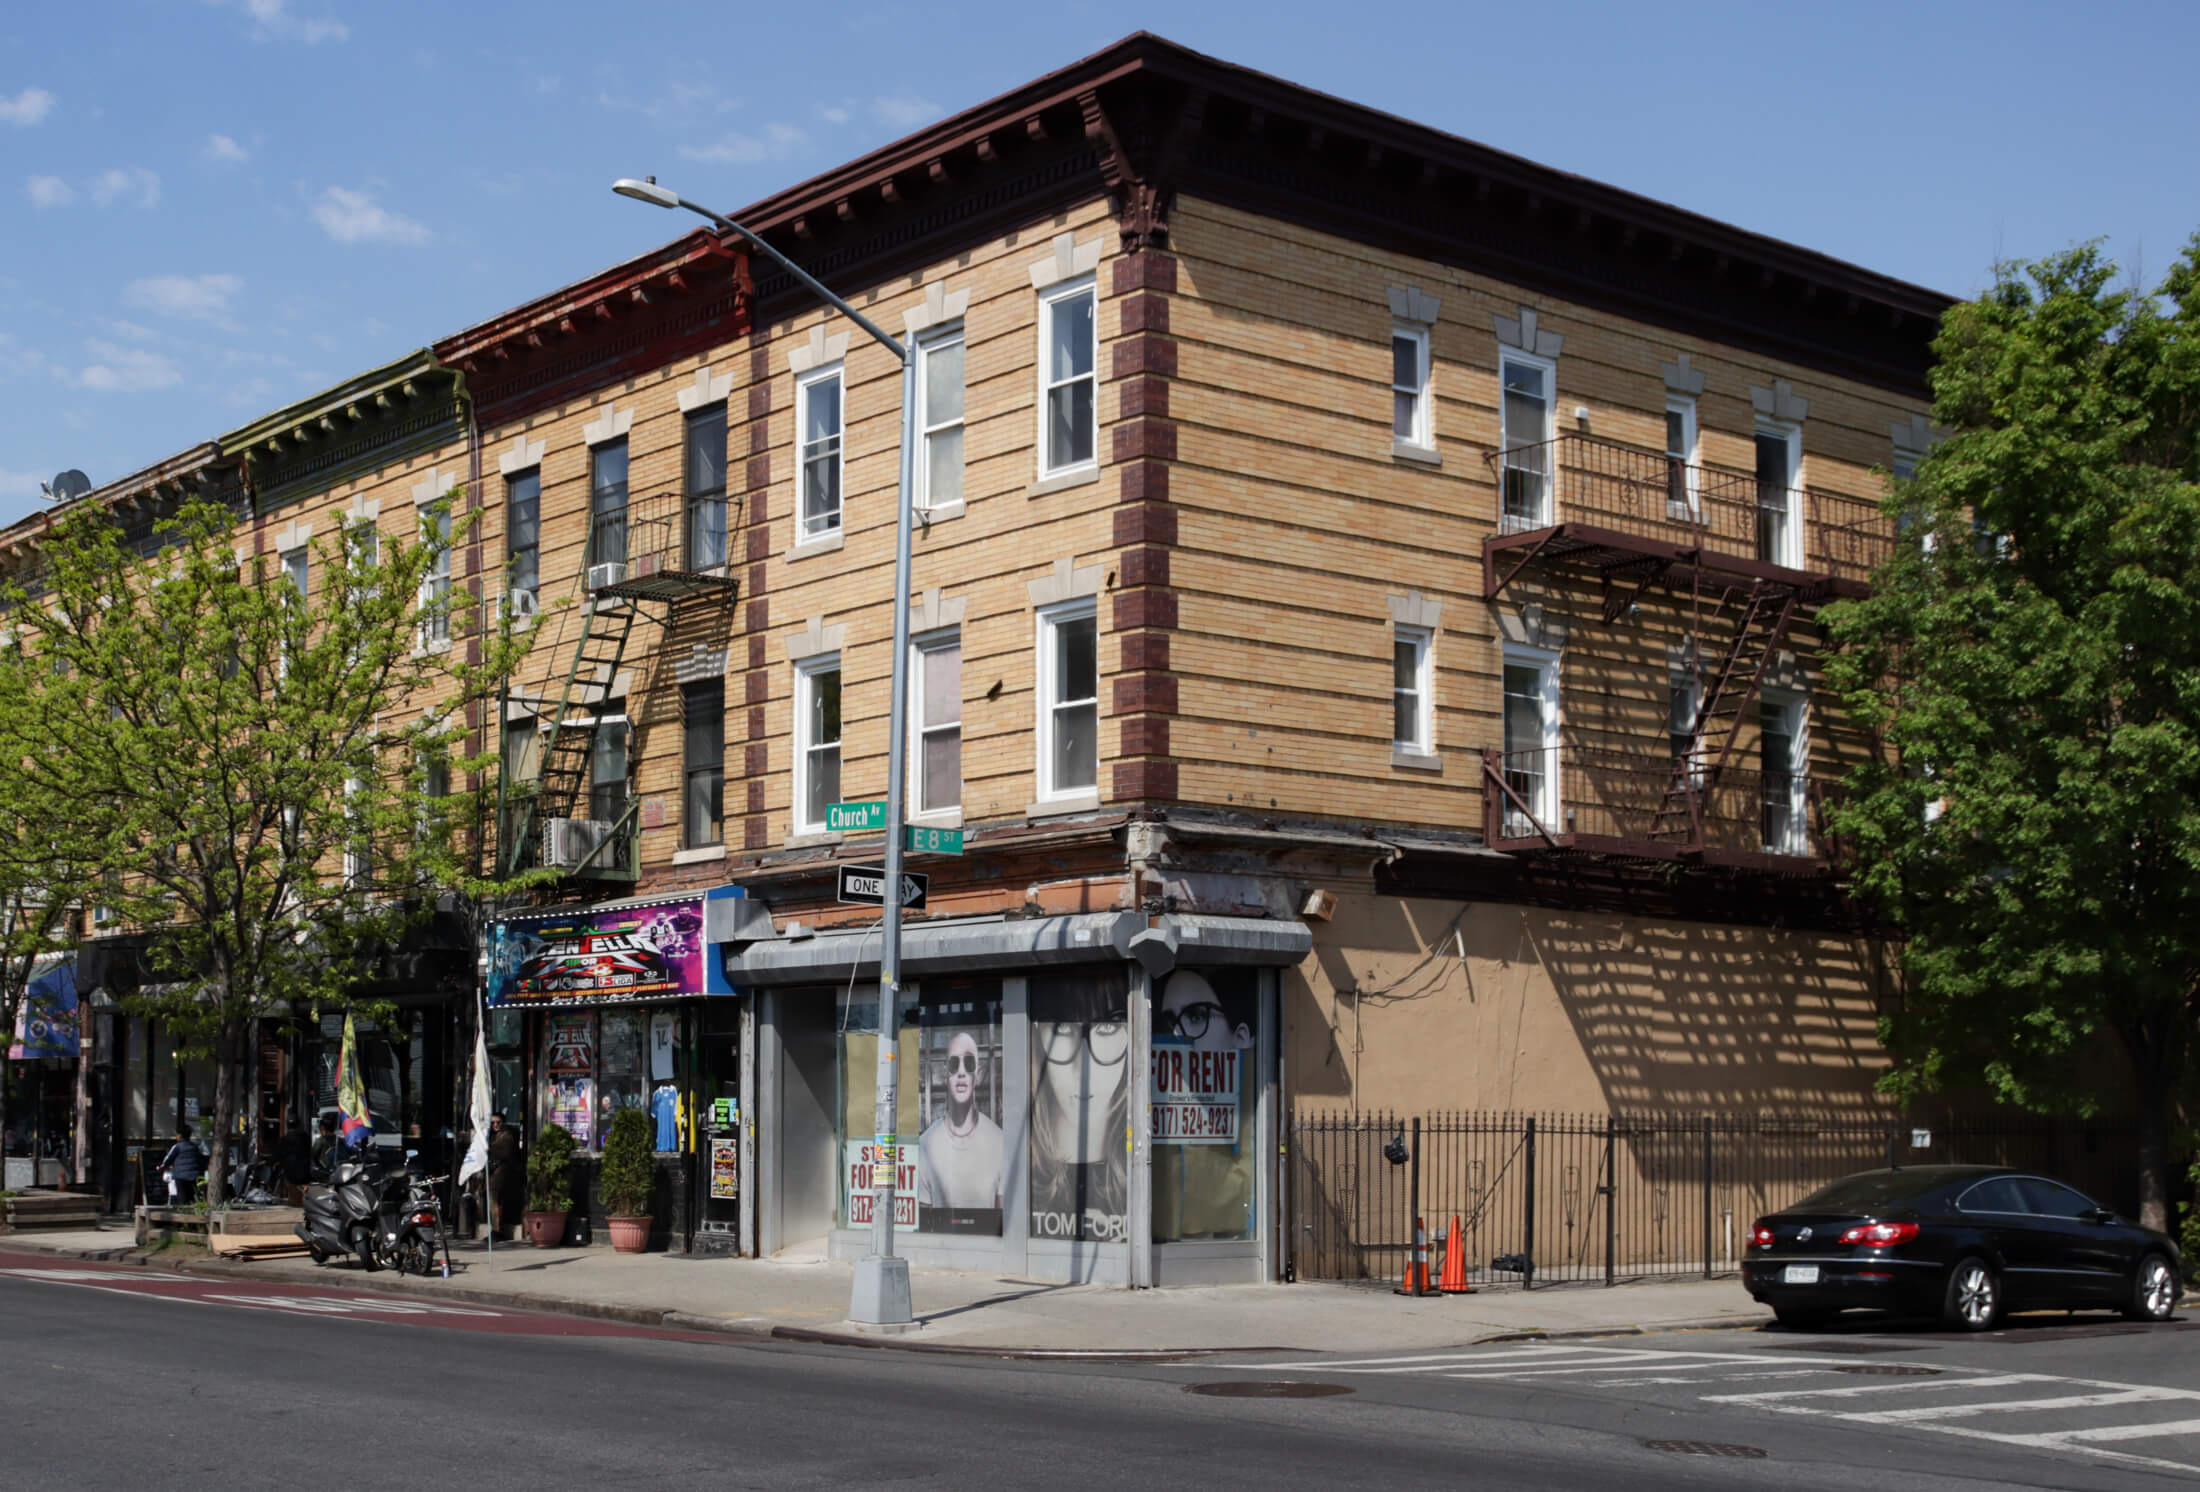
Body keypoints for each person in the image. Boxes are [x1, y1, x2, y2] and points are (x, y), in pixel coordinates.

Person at [917, 1030, 1004, 1228]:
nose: (962, 1072)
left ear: (979, 1075)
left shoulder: (999, 1141)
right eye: (954, 1064)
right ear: (945, 1072)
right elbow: (923, 1219)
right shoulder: (927, 1143)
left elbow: (1003, 1223)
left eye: (969, 1063)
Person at [486, 1111, 522, 1239]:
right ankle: (495, 1228)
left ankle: (497, 1230)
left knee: (494, 1199)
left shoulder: (506, 1136)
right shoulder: (491, 1135)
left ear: (503, 1123)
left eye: (498, 1122)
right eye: (492, 1123)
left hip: (503, 1170)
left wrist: (488, 1148)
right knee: (493, 1200)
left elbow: (504, 1152)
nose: (495, 1125)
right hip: (494, 1171)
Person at [159, 1125, 204, 1206]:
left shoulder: (177, 1147)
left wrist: (162, 1167)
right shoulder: (195, 1147)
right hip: (194, 1177)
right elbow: (201, 1160)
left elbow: (168, 1159)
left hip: (180, 1177)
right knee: (193, 1199)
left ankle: (184, 1213)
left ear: (179, 1136)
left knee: (183, 1200)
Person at [273, 1117, 312, 1203]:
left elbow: (278, 1154)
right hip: (305, 1171)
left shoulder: (285, 1139)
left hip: (291, 1173)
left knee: (294, 1195)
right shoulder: (305, 1137)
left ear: (287, 1126)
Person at [309, 1114, 340, 1179]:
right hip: (338, 1172)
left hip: (325, 1173)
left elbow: (312, 1155)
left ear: (323, 1128)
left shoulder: (320, 1141)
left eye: (320, 1128)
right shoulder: (339, 1140)